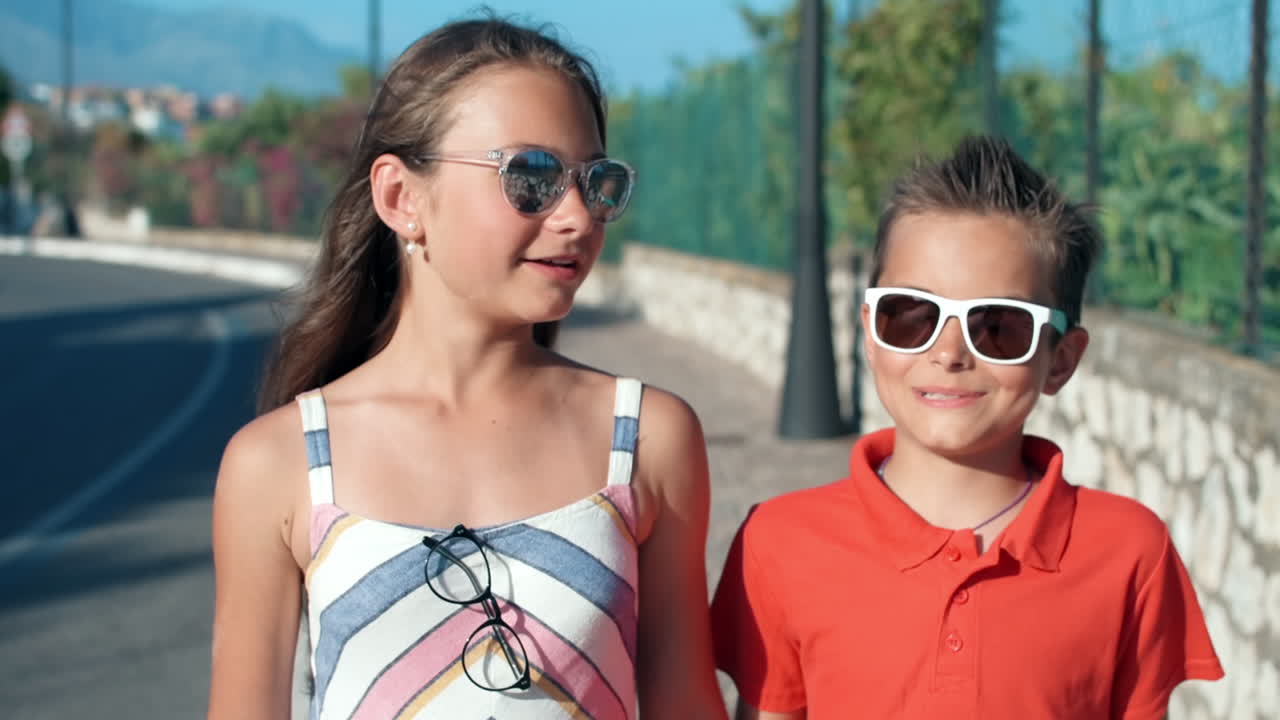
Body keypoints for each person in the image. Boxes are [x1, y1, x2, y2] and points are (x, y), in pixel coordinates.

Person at [207, 16, 726, 720]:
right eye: (532, 177)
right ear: (402, 199)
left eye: (595, 181)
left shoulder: (647, 440)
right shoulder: (277, 464)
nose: (577, 216)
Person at [710, 135, 1223, 719]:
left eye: (999, 326)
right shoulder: (780, 540)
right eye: (911, 316)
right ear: (871, 334)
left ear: (1061, 359)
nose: (950, 352)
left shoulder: (1129, 550)